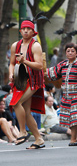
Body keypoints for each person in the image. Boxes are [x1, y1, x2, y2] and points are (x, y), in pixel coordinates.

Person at [46, 42, 77, 146]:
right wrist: (39, 69)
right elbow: (51, 73)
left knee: (75, 117)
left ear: (76, 53)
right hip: (66, 95)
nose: (70, 53)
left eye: (73, 51)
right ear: (65, 52)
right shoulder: (63, 65)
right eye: (68, 51)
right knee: (69, 117)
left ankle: (73, 139)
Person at [9, 20, 46, 149]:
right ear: (20, 31)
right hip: (21, 80)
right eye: (23, 28)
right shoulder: (15, 45)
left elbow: (39, 66)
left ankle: (23, 131)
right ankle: (38, 138)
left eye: (28, 29)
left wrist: (25, 61)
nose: (25, 31)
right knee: (27, 111)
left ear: (32, 32)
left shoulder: (35, 46)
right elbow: (12, 63)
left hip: (34, 80)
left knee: (16, 103)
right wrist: (10, 74)